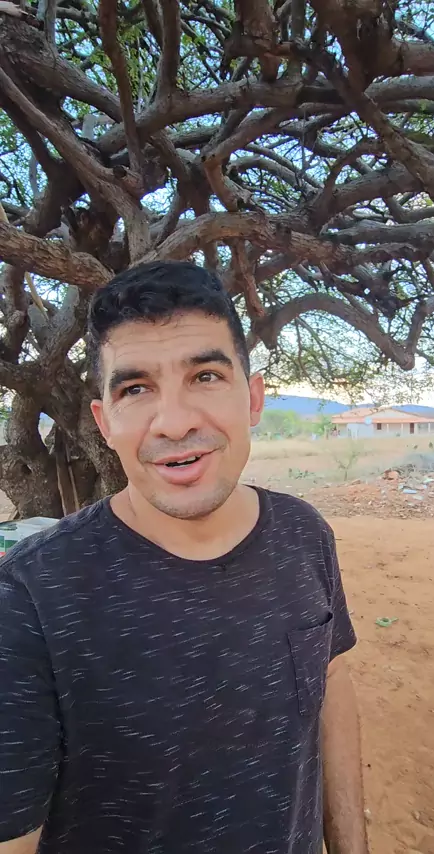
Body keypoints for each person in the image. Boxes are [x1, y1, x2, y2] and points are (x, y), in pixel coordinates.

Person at [0, 261, 368, 854]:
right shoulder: (29, 597)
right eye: (135, 389)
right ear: (104, 422)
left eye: (205, 376)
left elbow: (330, 679)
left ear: (253, 399)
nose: (173, 423)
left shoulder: (304, 535)